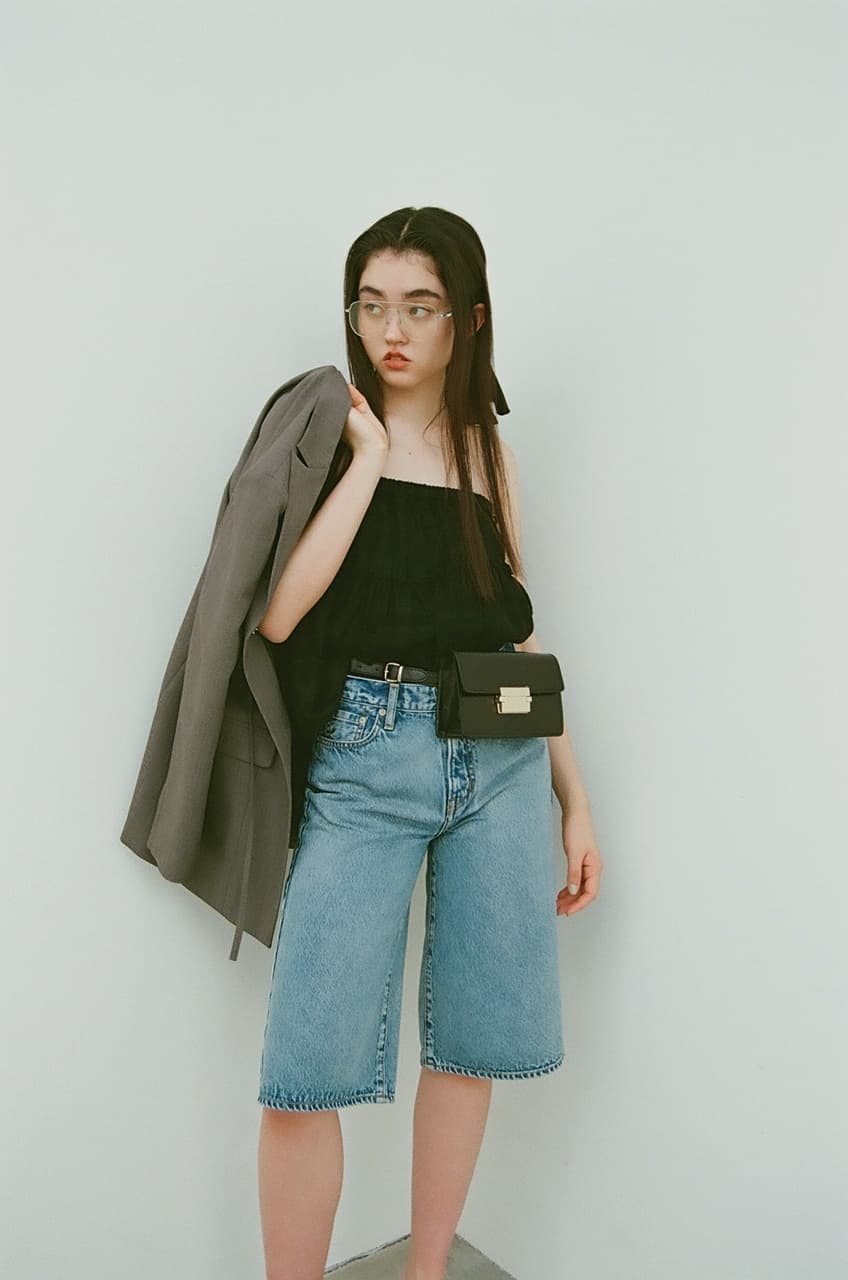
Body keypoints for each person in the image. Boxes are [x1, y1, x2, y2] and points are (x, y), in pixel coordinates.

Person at [254, 206, 604, 1280]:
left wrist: (574, 796)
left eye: (418, 307)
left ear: (468, 320)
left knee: (471, 1039)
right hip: (366, 757)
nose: (390, 330)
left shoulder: (489, 452)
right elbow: (280, 614)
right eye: (372, 305)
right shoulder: (331, 432)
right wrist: (369, 457)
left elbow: (516, 630)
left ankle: (428, 1270)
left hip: (499, 763)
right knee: (305, 1066)